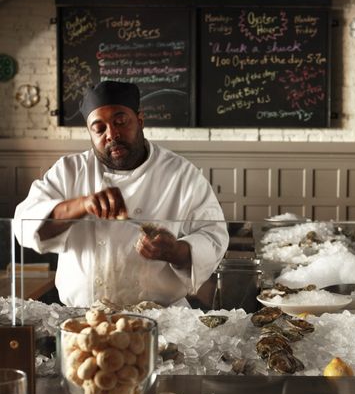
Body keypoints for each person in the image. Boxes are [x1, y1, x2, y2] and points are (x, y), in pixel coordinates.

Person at [14, 80, 229, 307]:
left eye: (120, 122)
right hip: (83, 319)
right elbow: (24, 224)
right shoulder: (69, 170)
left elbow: (214, 237)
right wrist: (83, 205)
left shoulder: (181, 173)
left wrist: (175, 251)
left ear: (140, 120)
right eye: (99, 128)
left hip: (162, 318)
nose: (112, 134)